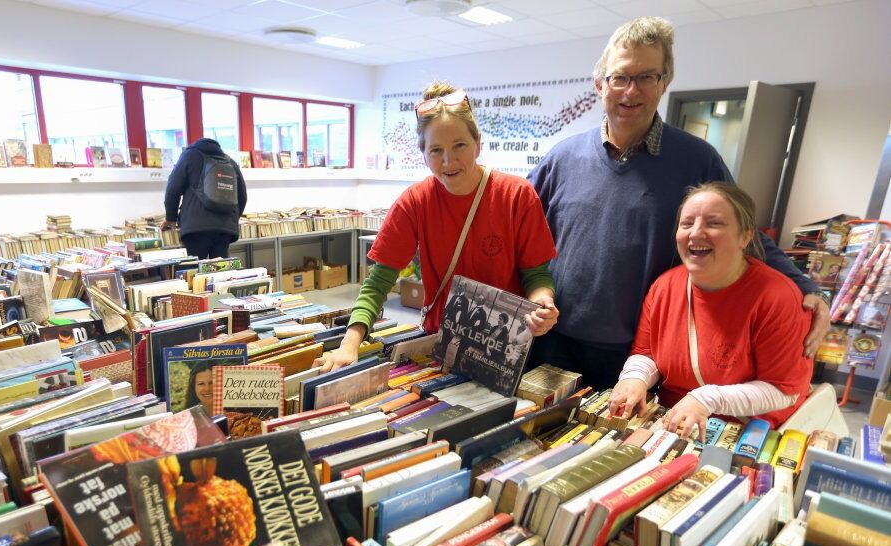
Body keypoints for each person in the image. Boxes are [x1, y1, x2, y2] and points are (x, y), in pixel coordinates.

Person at [527, 16, 828, 389]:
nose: (630, 91)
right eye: (620, 77)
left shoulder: (697, 160)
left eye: (646, 77)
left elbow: (741, 234)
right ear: (599, 84)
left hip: (638, 354)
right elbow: (518, 230)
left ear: (665, 83)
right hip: (552, 342)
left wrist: (805, 286)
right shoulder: (562, 158)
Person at [314, 81, 559, 373]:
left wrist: (542, 304)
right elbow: (378, 284)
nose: (448, 161)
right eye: (436, 150)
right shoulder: (414, 202)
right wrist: (349, 343)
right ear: (423, 153)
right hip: (442, 345)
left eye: (459, 146)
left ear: (478, 142)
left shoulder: (516, 195)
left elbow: (537, 274)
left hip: (504, 350)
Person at [608, 182, 812, 435]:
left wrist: (708, 398)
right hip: (675, 422)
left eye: (714, 223)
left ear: (745, 236)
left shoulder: (777, 297)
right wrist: (634, 378)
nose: (695, 233)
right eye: (687, 223)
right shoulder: (665, 286)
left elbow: (784, 390)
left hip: (748, 430)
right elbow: (646, 353)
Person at [161, 138, 248, 260]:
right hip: (224, 229)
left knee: (196, 272)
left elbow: (172, 190)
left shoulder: (189, 156)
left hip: (196, 228)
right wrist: (230, 218)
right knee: (219, 272)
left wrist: (170, 218)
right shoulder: (230, 161)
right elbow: (242, 197)